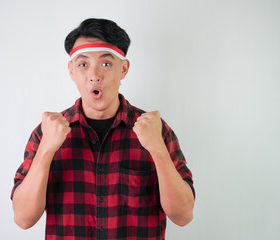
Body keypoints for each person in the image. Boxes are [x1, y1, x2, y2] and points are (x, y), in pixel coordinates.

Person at [11, 18, 195, 239]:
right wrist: (46, 151)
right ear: (71, 71)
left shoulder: (156, 130)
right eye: (83, 64)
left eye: (106, 64)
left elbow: (183, 215)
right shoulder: (46, 132)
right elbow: (23, 219)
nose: (94, 75)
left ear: (124, 68)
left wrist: (157, 149)